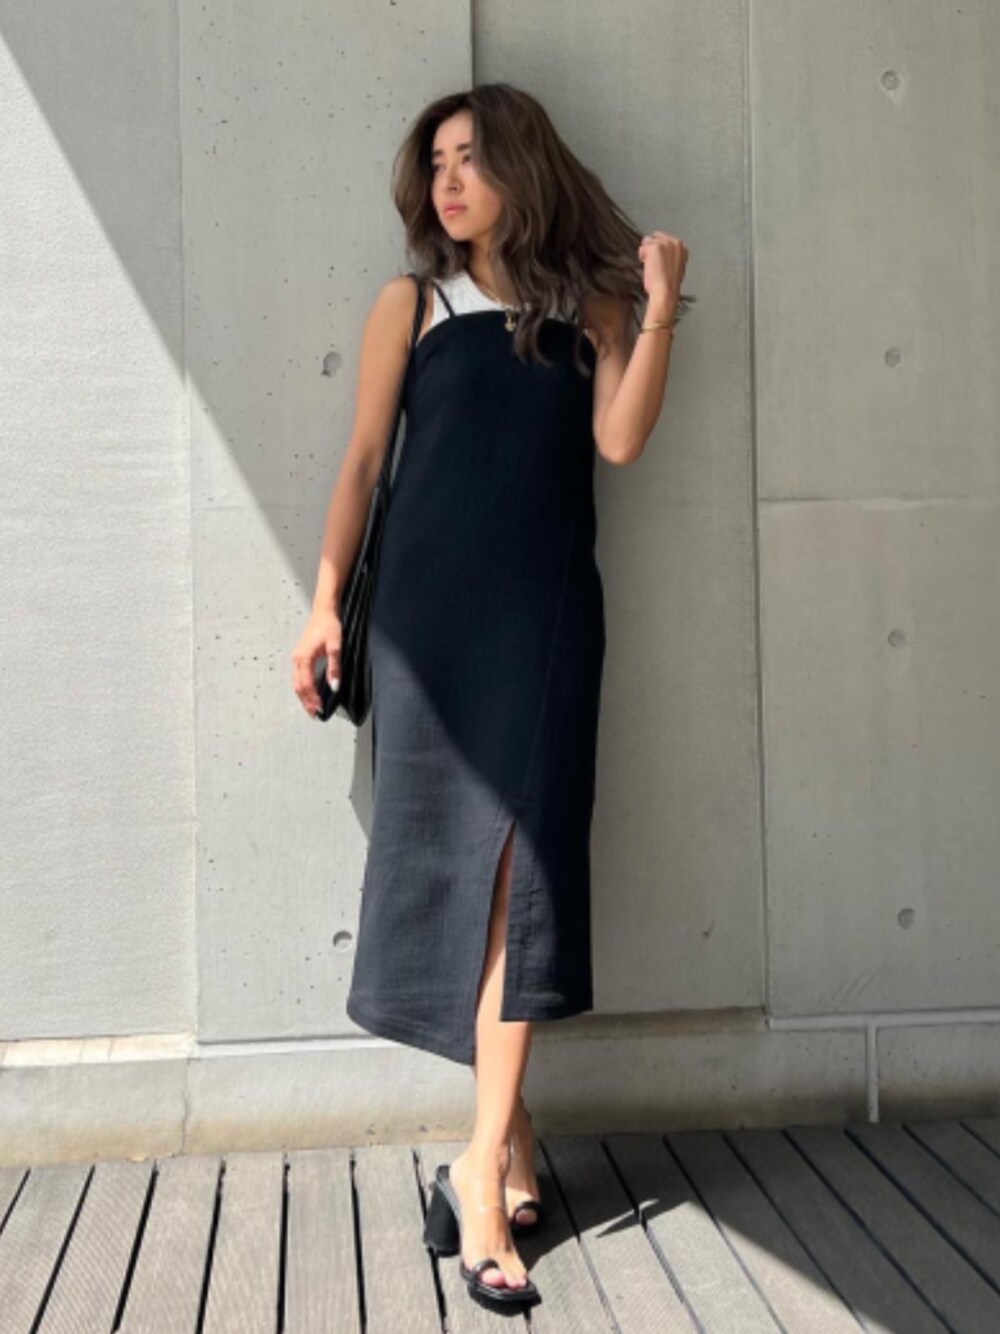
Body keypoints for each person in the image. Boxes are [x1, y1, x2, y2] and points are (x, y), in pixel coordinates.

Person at [292, 82, 691, 1312]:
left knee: (523, 869)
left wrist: (659, 309)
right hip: (426, 628)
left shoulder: (590, 306)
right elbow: (365, 462)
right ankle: (503, 1146)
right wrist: (322, 604)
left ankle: (476, 1168)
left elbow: (618, 442)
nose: (449, 181)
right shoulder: (411, 304)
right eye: (436, 164)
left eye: (471, 157)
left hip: (546, 620)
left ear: (523, 164)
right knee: (459, 879)